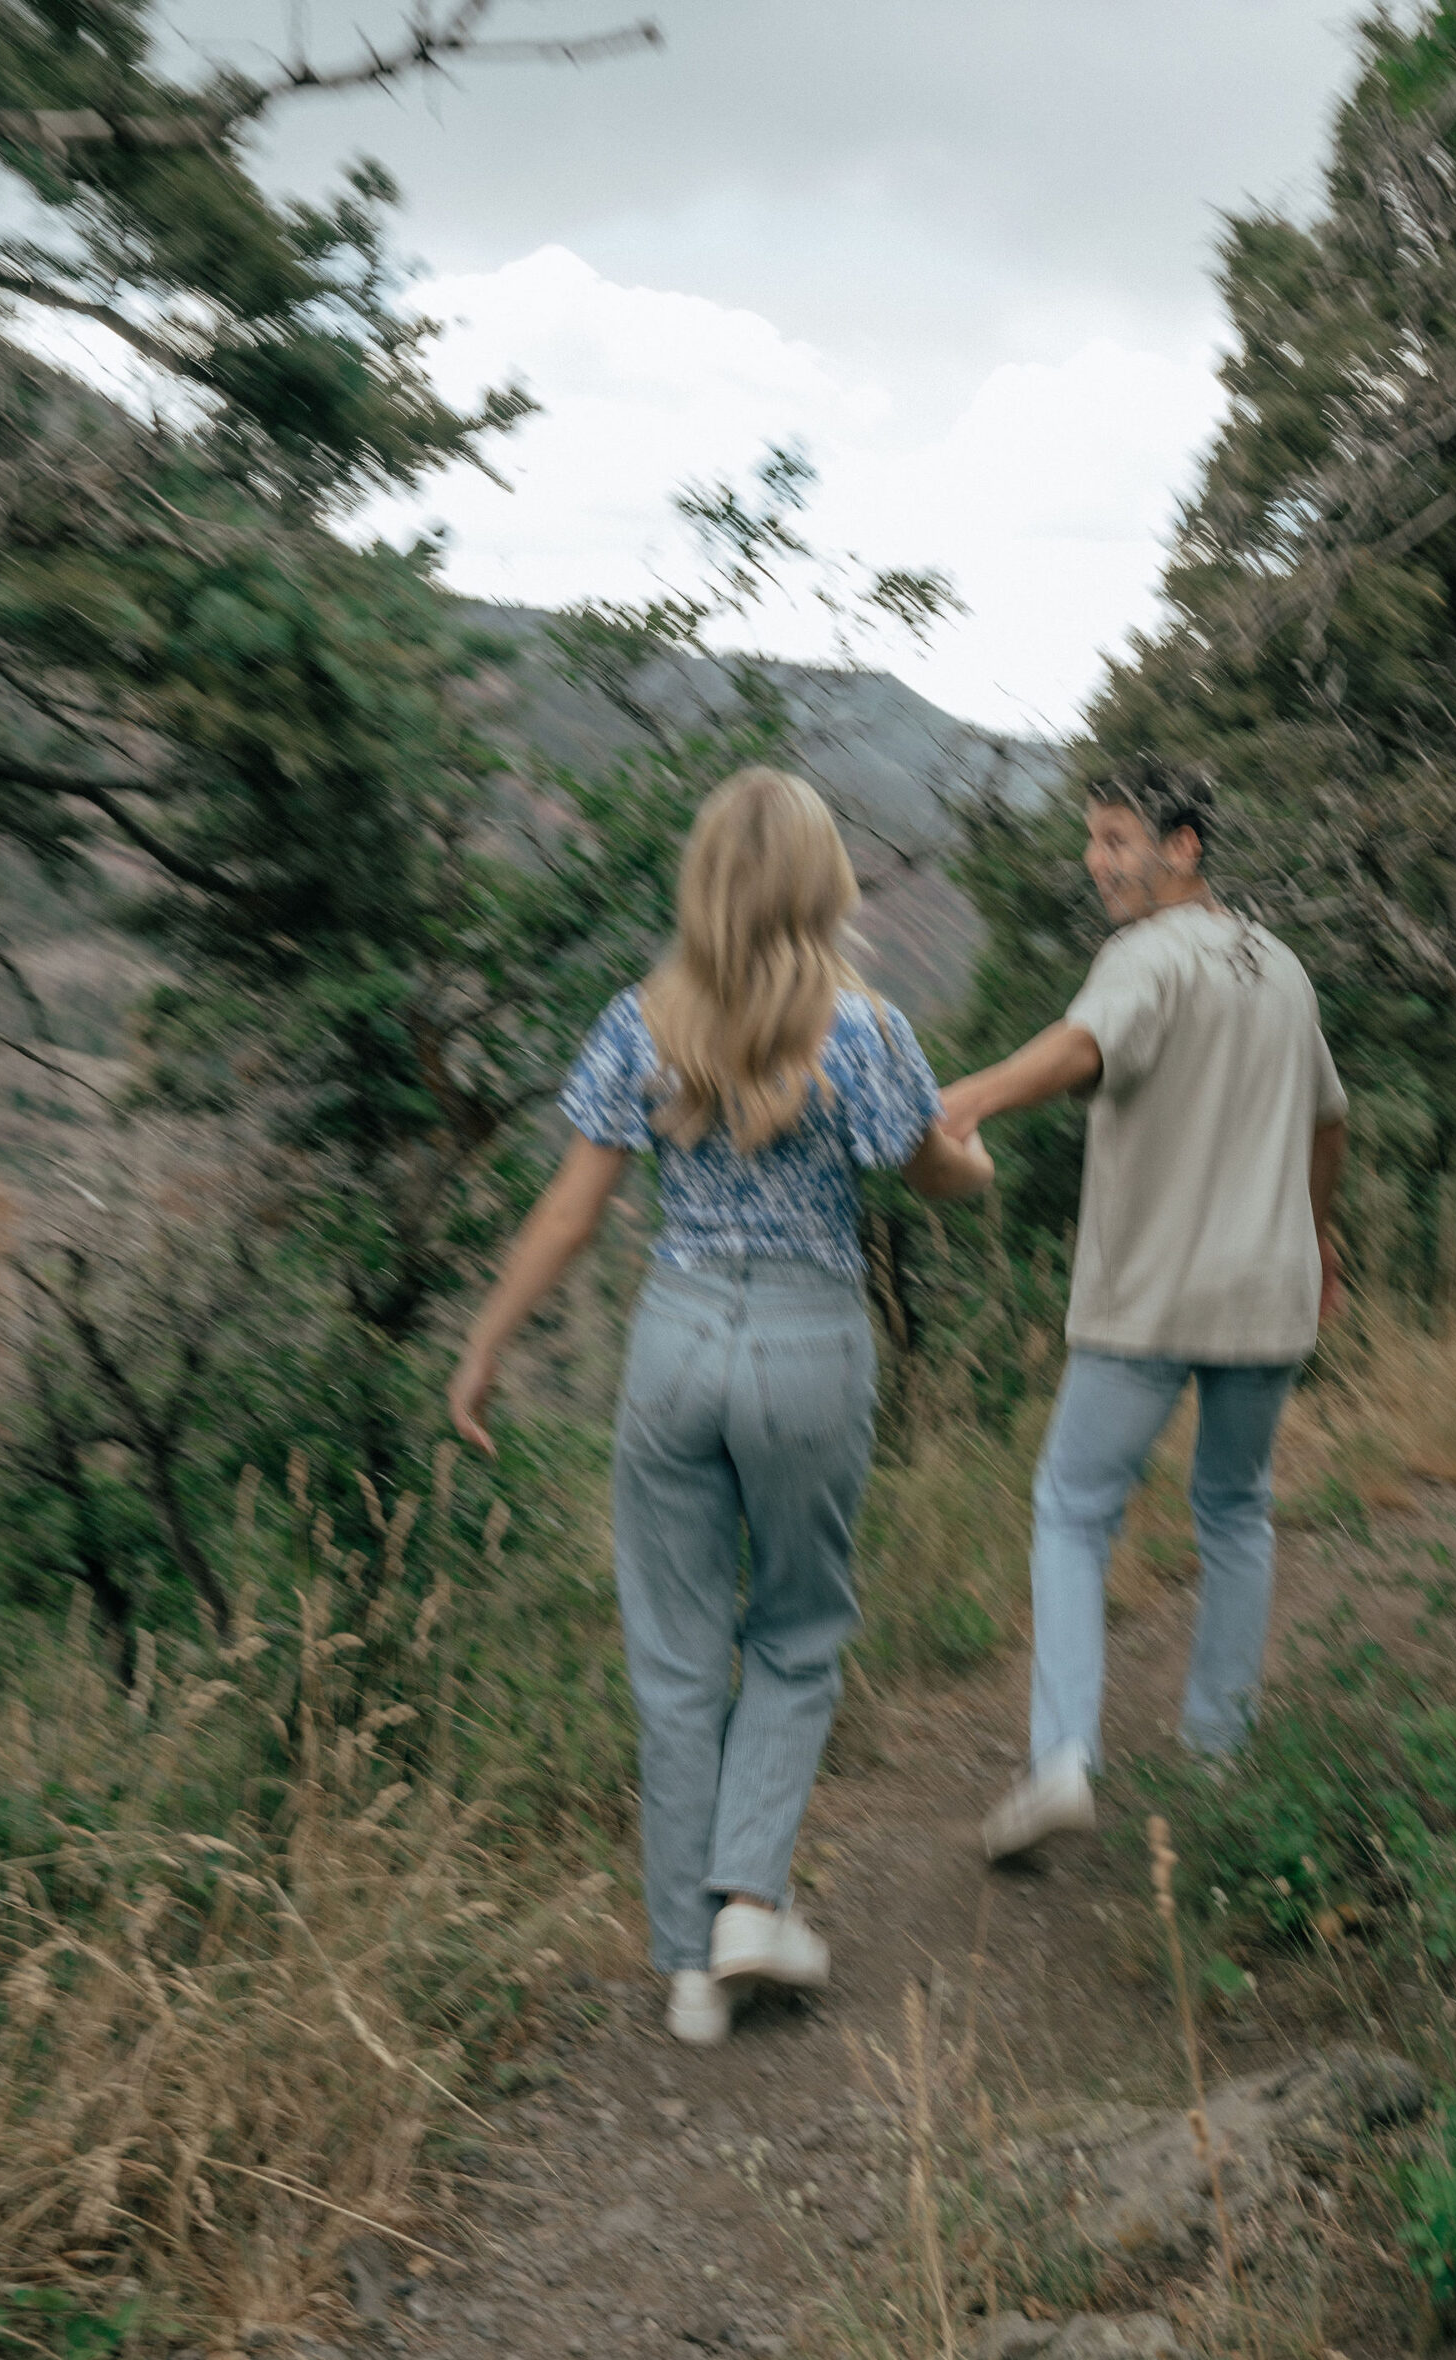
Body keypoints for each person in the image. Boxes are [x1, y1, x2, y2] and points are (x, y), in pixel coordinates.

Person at [449, 767, 993, 2045]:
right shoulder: (866, 1032)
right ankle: (751, 1894)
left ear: (702, 884)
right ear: (823, 885)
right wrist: (976, 1153)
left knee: (677, 1657)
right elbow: (935, 1172)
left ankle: (692, 1971)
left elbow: (575, 1210)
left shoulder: (639, 1023)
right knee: (799, 1629)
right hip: (808, 1340)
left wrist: (485, 1342)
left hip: (678, 1337)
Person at [941, 757, 1348, 1860]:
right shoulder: (1283, 966)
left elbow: (1081, 1047)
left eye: (1116, 837)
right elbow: (1328, 1122)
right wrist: (1317, 1233)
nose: (1095, 860)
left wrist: (971, 1094)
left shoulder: (1142, 958)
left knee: (1073, 1507)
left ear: (1184, 847)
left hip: (1150, 1297)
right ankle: (1217, 1756)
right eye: (1092, 838)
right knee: (1236, 1509)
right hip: (1269, 1296)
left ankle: (1064, 1757)